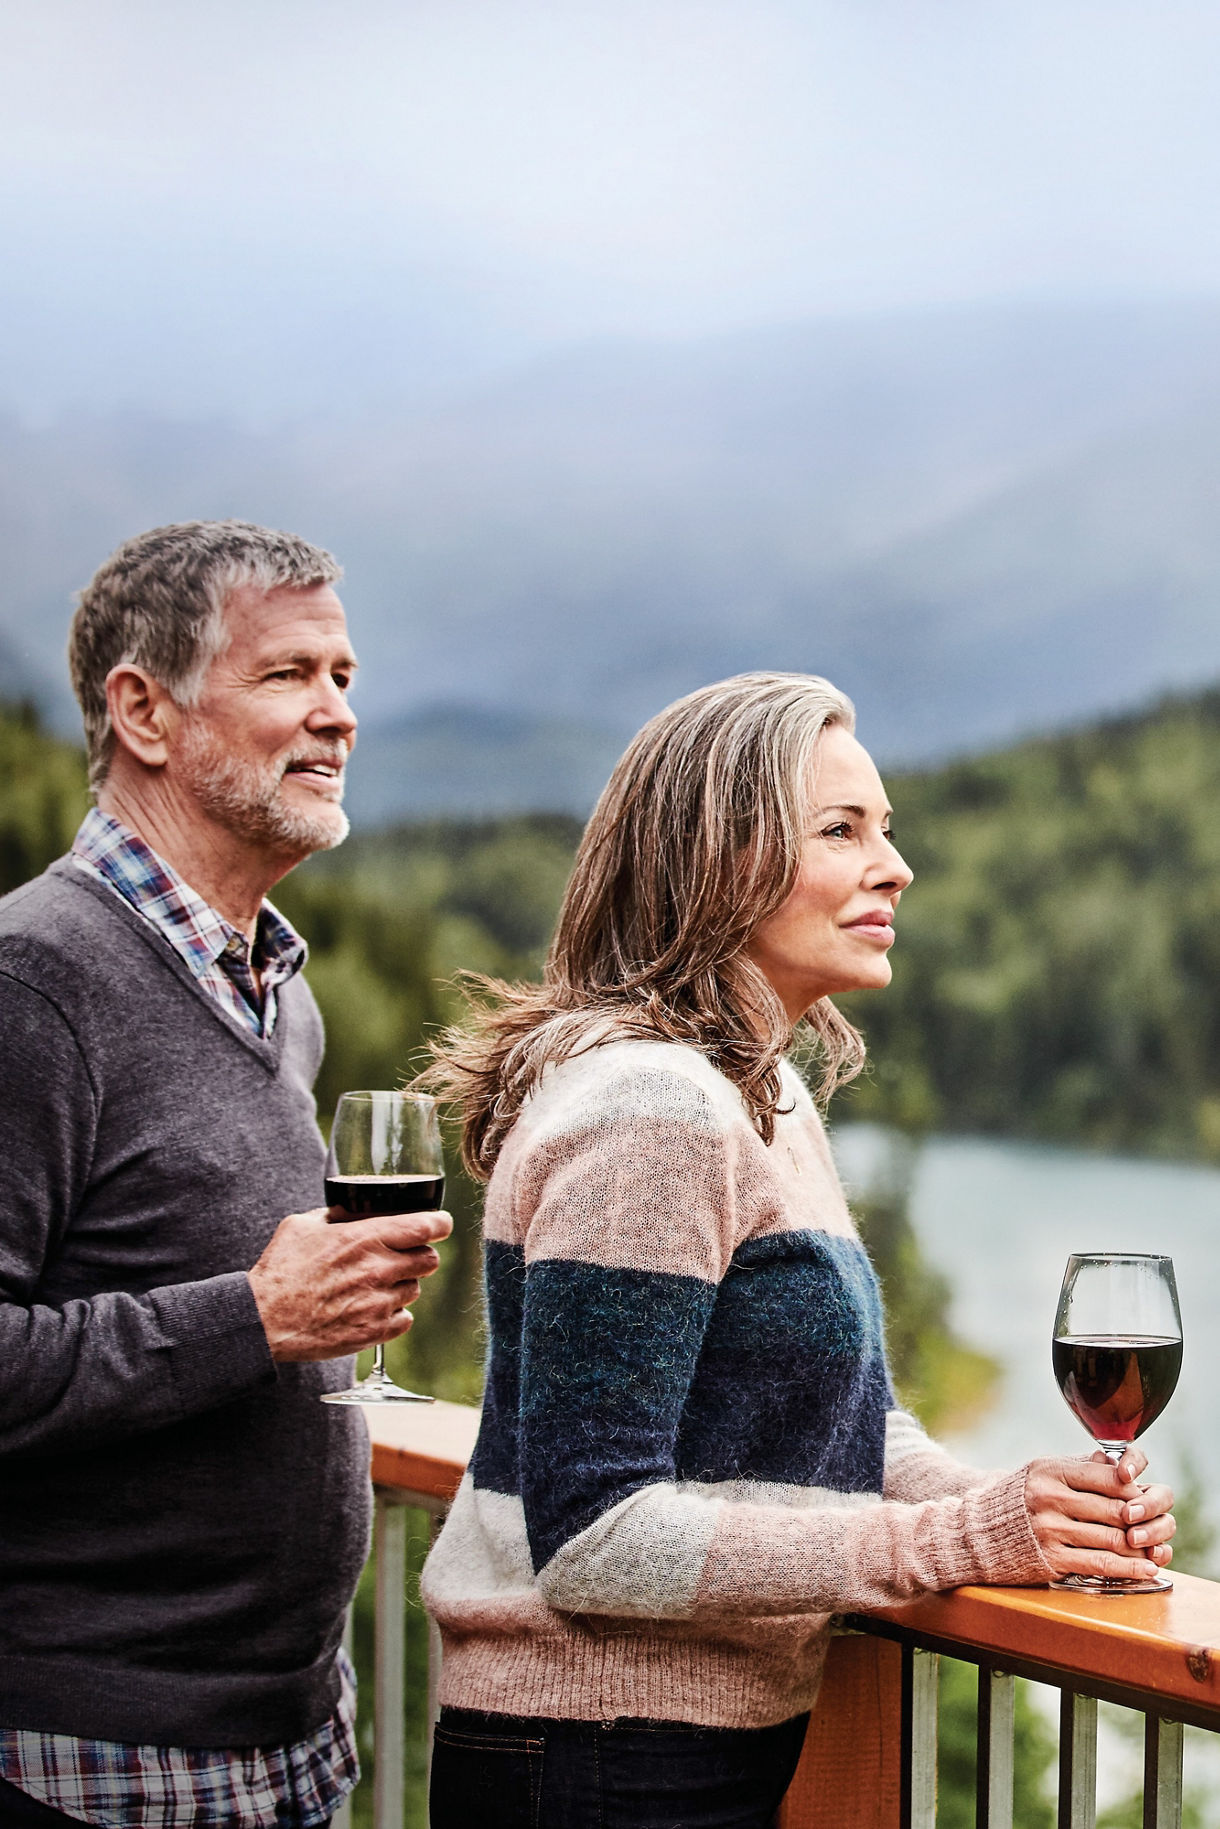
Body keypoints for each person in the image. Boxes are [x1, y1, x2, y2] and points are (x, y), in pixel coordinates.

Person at [420, 672, 1175, 1829]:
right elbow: (591, 1536)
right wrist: (953, 1537)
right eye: (842, 829)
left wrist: (1026, 1509)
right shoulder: (650, 1107)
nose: (894, 865)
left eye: (888, 828)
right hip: (591, 1757)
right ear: (719, 861)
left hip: (672, 1750)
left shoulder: (757, 1087)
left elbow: (850, 1426)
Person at [0, 521, 451, 1829]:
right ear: (142, 710)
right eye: (289, 676)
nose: (336, 715)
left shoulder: (276, 994)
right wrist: (249, 1318)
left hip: (282, 1745)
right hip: (89, 1762)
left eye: (347, 679)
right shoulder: (34, 981)